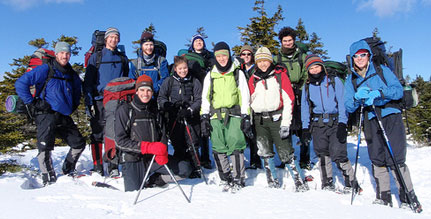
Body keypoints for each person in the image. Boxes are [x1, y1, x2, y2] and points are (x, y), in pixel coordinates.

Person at [344, 39, 422, 211]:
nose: (360, 58)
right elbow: (348, 105)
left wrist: (379, 93)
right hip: (370, 119)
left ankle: (409, 197)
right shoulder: (351, 80)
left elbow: (397, 90)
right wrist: (357, 98)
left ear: (369, 55)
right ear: (352, 59)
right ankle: (383, 196)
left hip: (390, 115)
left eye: (363, 54)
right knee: (377, 158)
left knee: (396, 157)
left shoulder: (381, 70)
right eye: (356, 56)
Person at [15, 42, 86, 186]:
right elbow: (21, 83)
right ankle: (48, 177)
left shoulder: (71, 74)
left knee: (78, 143)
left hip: (63, 115)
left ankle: (68, 168)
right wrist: (33, 103)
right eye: (61, 53)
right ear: (56, 54)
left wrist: (73, 105)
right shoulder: (46, 69)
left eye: (67, 53)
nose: (64, 56)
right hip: (45, 114)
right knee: (45, 146)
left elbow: (78, 91)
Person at [115, 75, 192, 192]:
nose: (145, 94)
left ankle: (157, 179)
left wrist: (163, 151)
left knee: (184, 169)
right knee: (134, 191)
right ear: (136, 91)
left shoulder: (154, 111)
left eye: (148, 90)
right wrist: (147, 147)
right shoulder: (126, 110)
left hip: (154, 158)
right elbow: (120, 141)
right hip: (134, 159)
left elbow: (162, 134)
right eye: (142, 90)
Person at [301, 55, 361, 193]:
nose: (315, 70)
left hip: (335, 122)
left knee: (338, 153)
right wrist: (305, 127)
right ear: (308, 70)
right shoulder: (307, 86)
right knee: (322, 153)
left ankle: (351, 182)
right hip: (318, 123)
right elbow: (304, 107)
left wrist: (342, 123)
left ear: (322, 67)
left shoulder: (333, 81)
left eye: (317, 67)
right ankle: (327, 182)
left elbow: (342, 102)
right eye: (311, 68)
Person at [249, 47, 305, 190]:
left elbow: (289, 100)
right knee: (264, 151)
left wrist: (286, 123)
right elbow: (249, 101)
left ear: (270, 61)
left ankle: (299, 182)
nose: (262, 64)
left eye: (265, 61)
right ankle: (272, 181)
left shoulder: (279, 76)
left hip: (277, 118)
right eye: (260, 61)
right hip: (259, 120)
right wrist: (249, 121)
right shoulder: (253, 79)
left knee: (285, 151)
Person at [200, 42, 252, 192]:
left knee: (236, 146)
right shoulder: (211, 74)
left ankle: (238, 177)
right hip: (215, 115)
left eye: (224, 55)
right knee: (218, 147)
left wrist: (246, 115)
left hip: (234, 113)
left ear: (229, 55)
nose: (222, 58)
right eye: (218, 56)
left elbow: (244, 95)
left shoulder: (237, 73)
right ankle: (225, 177)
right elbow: (205, 97)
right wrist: (204, 116)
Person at [83, 27, 129, 177]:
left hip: (117, 100)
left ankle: (113, 165)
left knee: (114, 132)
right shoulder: (96, 57)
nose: (114, 40)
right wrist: (89, 102)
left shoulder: (122, 58)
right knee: (97, 133)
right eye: (111, 37)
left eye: (116, 37)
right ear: (106, 39)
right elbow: (88, 81)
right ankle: (97, 165)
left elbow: (126, 79)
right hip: (99, 99)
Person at [158, 56, 202, 178]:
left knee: (192, 142)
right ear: (175, 69)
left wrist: (190, 110)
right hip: (175, 117)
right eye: (180, 68)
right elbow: (161, 97)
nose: (183, 71)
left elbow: (199, 99)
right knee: (178, 143)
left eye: (185, 68)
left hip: (190, 117)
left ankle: (196, 167)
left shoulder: (194, 81)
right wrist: (168, 106)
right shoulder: (169, 81)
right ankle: (181, 166)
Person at [273, 27, 310, 169]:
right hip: (284, 94)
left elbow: (307, 73)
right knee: (285, 126)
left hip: (300, 93)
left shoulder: (302, 57)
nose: (287, 43)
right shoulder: (277, 58)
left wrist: (301, 88)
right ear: (281, 42)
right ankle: (286, 158)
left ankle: (304, 159)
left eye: (290, 40)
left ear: (294, 41)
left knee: (303, 127)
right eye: (285, 41)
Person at [187, 34, 214, 169]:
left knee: (205, 127)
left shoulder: (210, 56)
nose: (199, 42)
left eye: (200, 41)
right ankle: (195, 157)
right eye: (196, 41)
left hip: (208, 94)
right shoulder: (187, 57)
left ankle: (206, 158)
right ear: (192, 44)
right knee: (195, 127)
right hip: (194, 94)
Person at [238, 45, 261, 169]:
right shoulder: (238, 69)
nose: (246, 56)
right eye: (243, 54)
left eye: (248, 54)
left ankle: (255, 160)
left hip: (254, 102)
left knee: (254, 132)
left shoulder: (256, 69)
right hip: (241, 103)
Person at [129, 32, 169, 96]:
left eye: (151, 45)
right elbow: (132, 81)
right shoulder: (135, 63)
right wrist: (143, 91)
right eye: (146, 45)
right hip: (141, 97)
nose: (149, 47)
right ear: (141, 46)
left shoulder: (161, 61)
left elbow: (165, 79)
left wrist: (152, 89)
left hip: (157, 96)